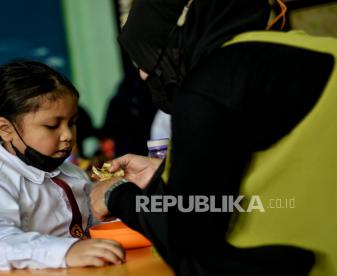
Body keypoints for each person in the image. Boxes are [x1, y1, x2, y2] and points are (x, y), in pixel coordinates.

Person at [90, 0, 337, 275]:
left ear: (178, 39)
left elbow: (186, 234)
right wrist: (165, 171)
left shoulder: (213, 83)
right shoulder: (318, 47)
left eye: (147, 56)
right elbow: (286, 163)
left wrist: (115, 195)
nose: (143, 74)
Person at [0, 60, 125, 271]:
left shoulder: (74, 174)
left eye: (72, 122)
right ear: (6, 128)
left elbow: (97, 227)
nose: (67, 135)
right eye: (52, 126)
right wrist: (66, 251)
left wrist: (120, 197)